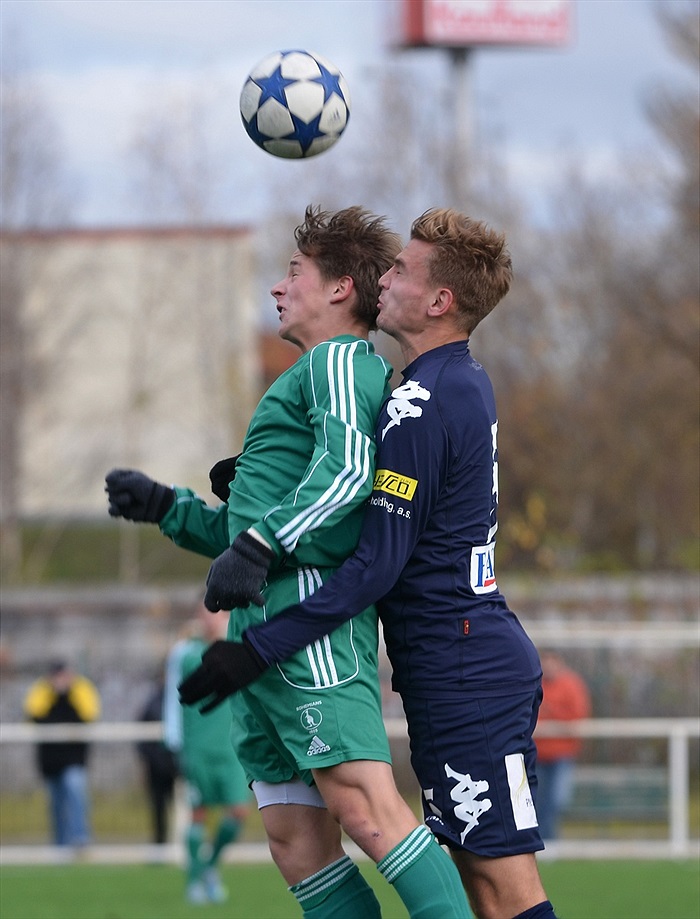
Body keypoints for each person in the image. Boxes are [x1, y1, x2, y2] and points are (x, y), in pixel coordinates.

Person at [180, 208, 560, 919]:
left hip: (468, 666)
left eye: (402, 271)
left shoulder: (423, 399)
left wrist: (261, 646)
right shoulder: (427, 388)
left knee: (504, 887)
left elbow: (375, 565)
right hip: (445, 665)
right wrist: (263, 472)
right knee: (480, 885)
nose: (384, 280)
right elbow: (360, 473)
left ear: (440, 300)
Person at [106, 205, 471, 919]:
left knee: (366, 808)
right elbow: (258, 519)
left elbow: (345, 471)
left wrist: (259, 543)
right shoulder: (305, 374)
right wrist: (167, 508)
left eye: (294, 272)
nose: (278, 287)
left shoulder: (339, 360)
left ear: (340, 290)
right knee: (294, 839)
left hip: (309, 626)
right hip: (255, 632)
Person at [163, 604, 251, 904]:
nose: (212, 617)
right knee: (198, 814)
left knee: (238, 812)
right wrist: (174, 743)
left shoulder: (240, 648)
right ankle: (194, 884)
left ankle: (208, 867)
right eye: (206, 612)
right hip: (198, 748)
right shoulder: (186, 654)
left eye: (218, 612)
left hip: (232, 747)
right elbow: (173, 700)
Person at [23, 660, 101, 848]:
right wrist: (54, 693)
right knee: (56, 804)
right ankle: (59, 843)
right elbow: (34, 715)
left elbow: (88, 715)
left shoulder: (81, 689)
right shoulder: (41, 690)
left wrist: (67, 693)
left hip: (74, 758)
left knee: (75, 791)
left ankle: (80, 837)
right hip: (50, 760)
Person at [534, 651, 591, 840]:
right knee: (536, 802)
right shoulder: (535, 683)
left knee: (557, 800)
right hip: (537, 755)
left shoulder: (571, 684)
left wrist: (553, 711)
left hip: (562, 755)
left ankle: (551, 841)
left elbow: (577, 716)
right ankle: (542, 843)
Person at [135, 667, 179, 846]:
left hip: (176, 763)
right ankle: (160, 842)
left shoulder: (181, 699)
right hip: (157, 764)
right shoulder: (152, 702)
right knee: (158, 806)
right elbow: (142, 735)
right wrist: (147, 761)